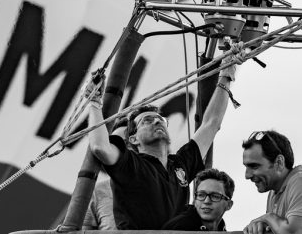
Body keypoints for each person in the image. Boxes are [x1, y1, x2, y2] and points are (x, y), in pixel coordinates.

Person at [86, 58, 238, 229]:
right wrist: (94, 104)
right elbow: (100, 147)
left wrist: (227, 74)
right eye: (147, 121)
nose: (156, 122)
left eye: (160, 120)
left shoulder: (180, 165)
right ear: (133, 139)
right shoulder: (131, 164)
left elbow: (211, 124)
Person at [242, 130, 302, 234]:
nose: (247, 175)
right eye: (246, 167)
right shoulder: (273, 193)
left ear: (279, 162)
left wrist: (268, 217)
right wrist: (261, 225)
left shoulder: (301, 182)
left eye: (254, 166)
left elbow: (294, 233)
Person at [82, 116, 129, 230]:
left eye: (126, 142)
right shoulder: (98, 191)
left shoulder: (173, 185)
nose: (118, 149)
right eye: (115, 145)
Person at [163, 168, 235, 231]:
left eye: (215, 196)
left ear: (229, 205)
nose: (206, 201)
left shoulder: (221, 227)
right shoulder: (178, 228)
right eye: (201, 195)